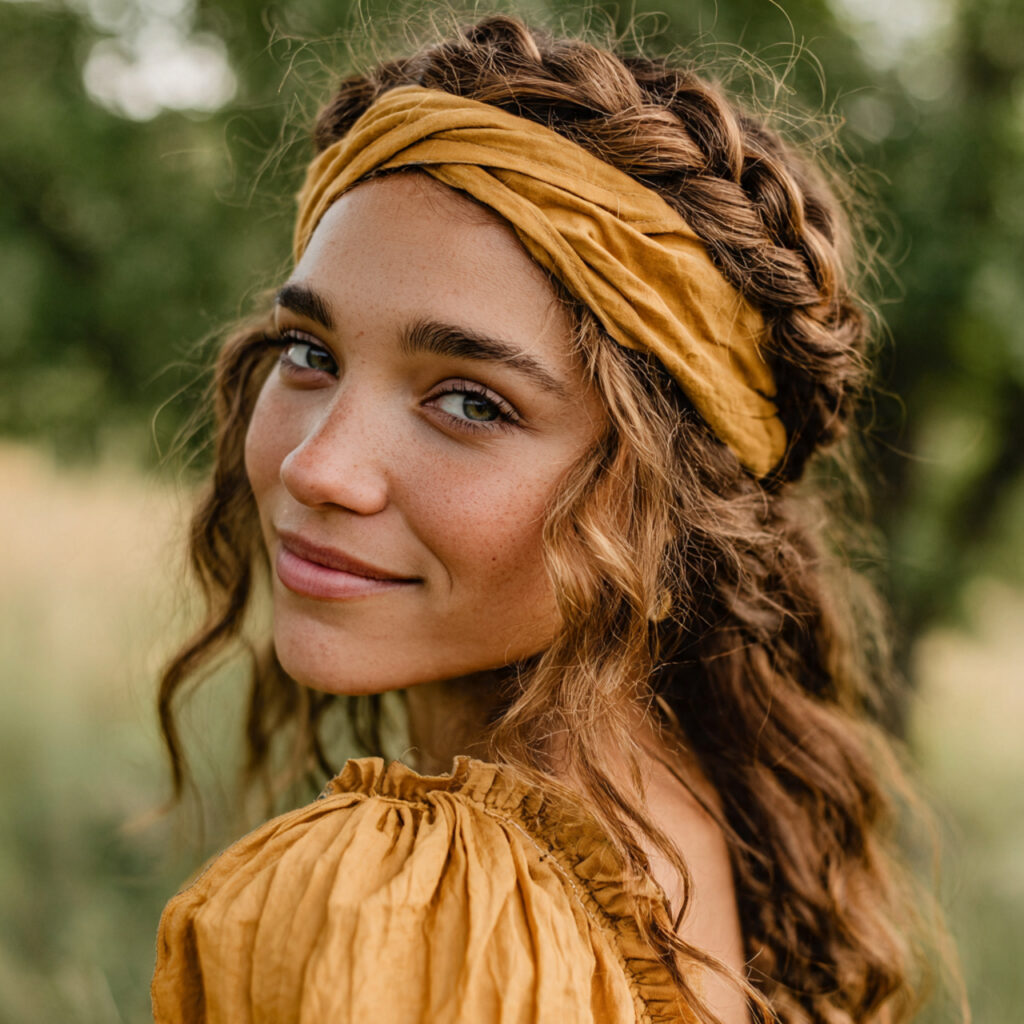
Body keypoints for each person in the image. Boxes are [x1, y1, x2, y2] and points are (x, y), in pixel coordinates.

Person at [150, 14, 943, 1024]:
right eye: (311, 352)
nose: (320, 467)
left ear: (669, 511)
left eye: (472, 401)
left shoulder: (409, 906)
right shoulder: (682, 827)